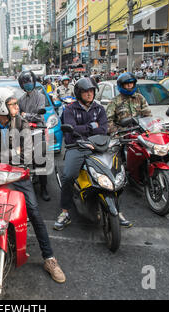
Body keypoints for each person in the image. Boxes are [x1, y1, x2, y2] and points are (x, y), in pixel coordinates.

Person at [0, 87, 66, 284]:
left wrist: (5, 155)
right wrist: (12, 153)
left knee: (35, 212)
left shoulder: (23, 124)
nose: (16, 106)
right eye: (12, 104)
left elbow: (27, 155)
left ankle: (49, 258)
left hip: (18, 175)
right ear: (1, 107)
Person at [53, 78, 108, 231]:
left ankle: (117, 210)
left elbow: (104, 129)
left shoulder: (99, 109)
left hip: (97, 147)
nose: (89, 94)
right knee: (69, 176)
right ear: (79, 93)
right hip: (76, 147)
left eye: (91, 91)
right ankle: (65, 212)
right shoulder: (70, 109)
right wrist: (92, 127)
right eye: (86, 92)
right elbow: (71, 132)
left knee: (113, 173)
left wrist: (83, 129)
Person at [105, 72, 152, 227]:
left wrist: (149, 126)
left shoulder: (140, 98)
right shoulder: (115, 101)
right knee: (114, 162)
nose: (129, 86)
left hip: (139, 134)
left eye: (131, 83)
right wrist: (117, 130)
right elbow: (108, 121)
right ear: (121, 86)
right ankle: (116, 183)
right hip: (122, 135)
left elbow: (148, 116)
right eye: (127, 84)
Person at [18, 70, 51, 201]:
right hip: (25, 132)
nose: (27, 84)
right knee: (19, 159)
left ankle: (44, 188)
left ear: (34, 82)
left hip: (38, 131)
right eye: (25, 83)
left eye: (29, 82)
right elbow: (18, 115)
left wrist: (26, 116)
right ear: (21, 85)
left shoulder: (41, 96)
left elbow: (39, 116)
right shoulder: (20, 100)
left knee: (41, 160)